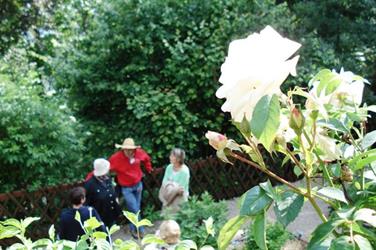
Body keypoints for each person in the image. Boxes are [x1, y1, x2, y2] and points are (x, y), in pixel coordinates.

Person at [109, 137, 153, 239]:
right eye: (127, 149)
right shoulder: (116, 158)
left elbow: (147, 159)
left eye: (131, 150)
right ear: (123, 149)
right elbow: (107, 168)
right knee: (135, 209)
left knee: (134, 209)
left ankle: (133, 229)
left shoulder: (139, 153)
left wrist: (149, 168)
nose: (129, 152)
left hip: (138, 185)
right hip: (126, 188)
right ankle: (140, 230)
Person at [84, 158, 121, 228]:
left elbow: (112, 190)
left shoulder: (107, 178)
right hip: (99, 218)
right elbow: (86, 204)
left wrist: (116, 197)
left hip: (111, 214)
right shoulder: (89, 184)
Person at [159, 148, 190, 213]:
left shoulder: (184, 171)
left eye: (172, 156)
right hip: (168, 195)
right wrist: (172, 187)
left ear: (178, 159)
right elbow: (164, 183)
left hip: (179, 198)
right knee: (166, 218)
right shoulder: (169, 167)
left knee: (177, 218)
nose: (170, 157)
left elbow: (181, 189)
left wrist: (170, 185)